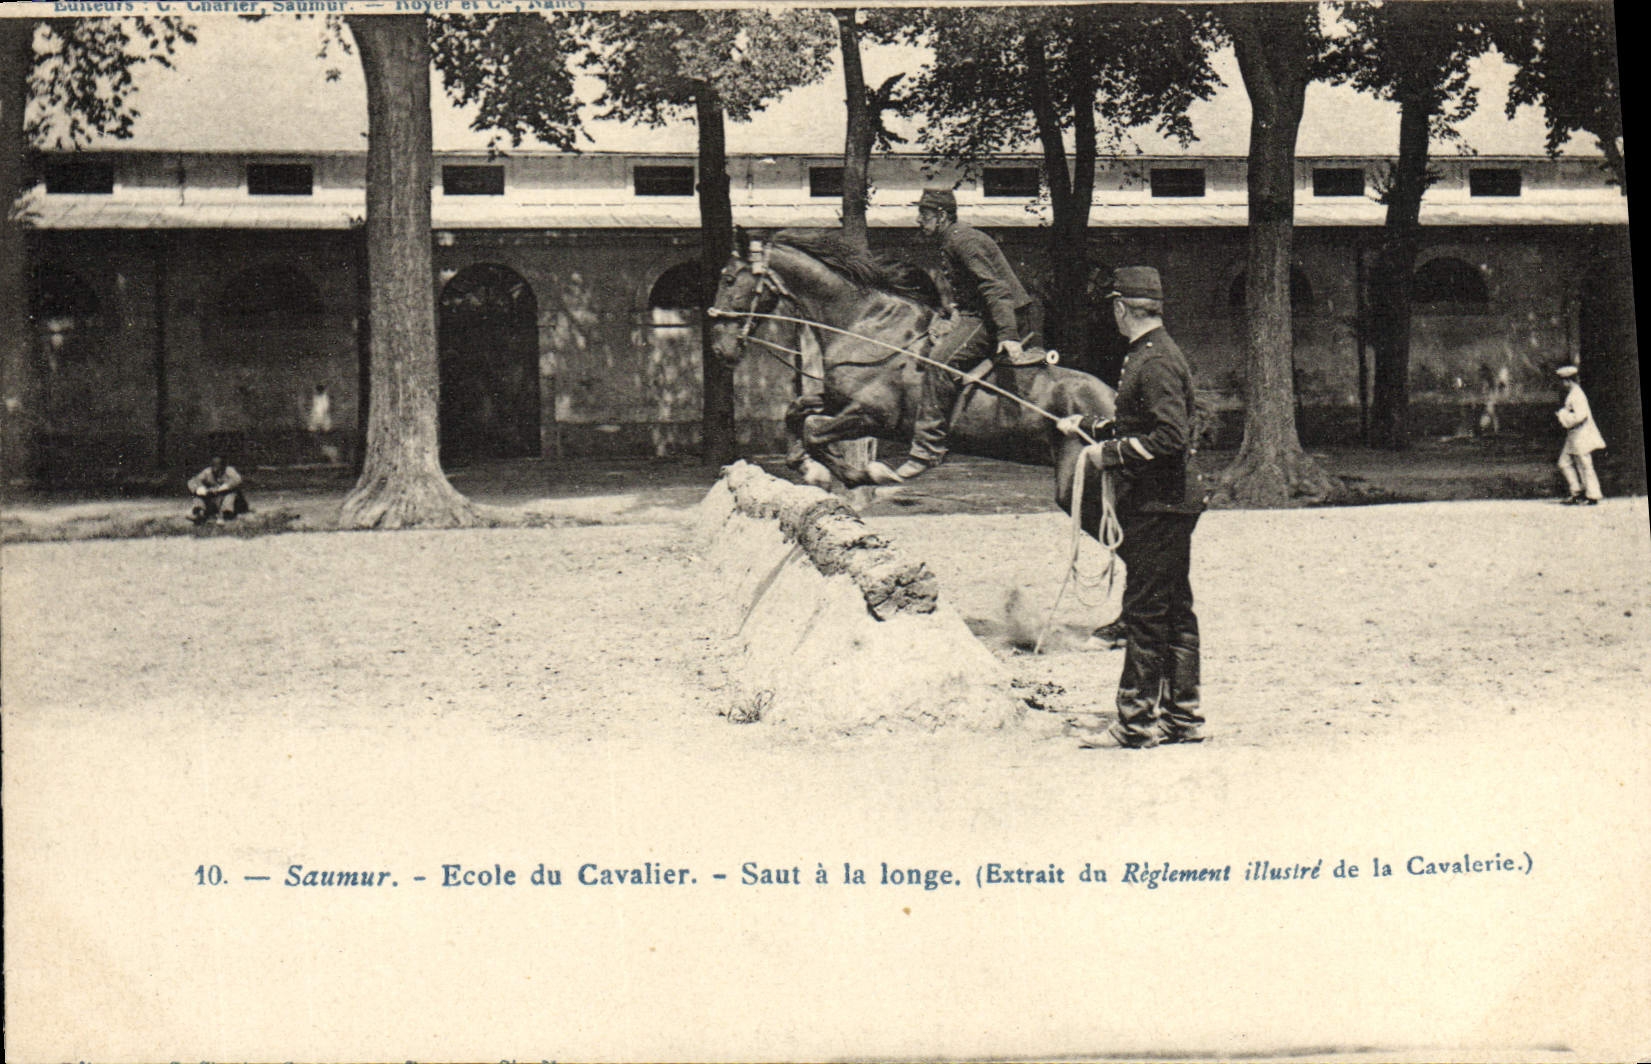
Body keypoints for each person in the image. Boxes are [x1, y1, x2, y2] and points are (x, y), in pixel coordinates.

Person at [1056, 266, 1205, 749]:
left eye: (1113, 308)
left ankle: (1135, 724)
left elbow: (1169, 437)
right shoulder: (1153, 351)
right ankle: (1182, 718)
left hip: (1160, 504)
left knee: (1145, 611)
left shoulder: (1153, 360)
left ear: (1121, 308)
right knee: (1175, 609)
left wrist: (1110, 454)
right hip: (1170, 502)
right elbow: (1138, 424)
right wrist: (1088, 427)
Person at [867, 186, 1037, 484]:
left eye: (924, 215)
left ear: (941, 216)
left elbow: (994, 289)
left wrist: (1008, 334)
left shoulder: (964, 241)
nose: (919, 220)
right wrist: (952, 316)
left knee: (939, 363)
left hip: (995, 317)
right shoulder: (951, 239)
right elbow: (969, 291)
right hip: (979, 314)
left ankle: (926, 451)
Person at [1554, 364, 1606, 505]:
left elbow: (1580, 416)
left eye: (1562, 381)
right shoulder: (1573, 394)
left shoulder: (1577, 395)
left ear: (1568, 380)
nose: (1561, 384)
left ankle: (1592, 495)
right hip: (1574, 435)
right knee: (1564, 463)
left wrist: (1563, 415)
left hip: (1581, 435)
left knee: (1584, 464)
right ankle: (1577, 492)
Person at [187, 455, 250, 524]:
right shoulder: (207, 472)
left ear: (224, 465)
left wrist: (221, 488)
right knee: (198, 495)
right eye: (214, 465)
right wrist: (200, 489)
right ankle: (199, 513)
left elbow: (237, 479)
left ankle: (226, 514)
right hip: (215, 499)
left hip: (232, 502)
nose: (216, 468)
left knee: (231, 494)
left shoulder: (229, 470)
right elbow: (193, 481)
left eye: (219, 465)